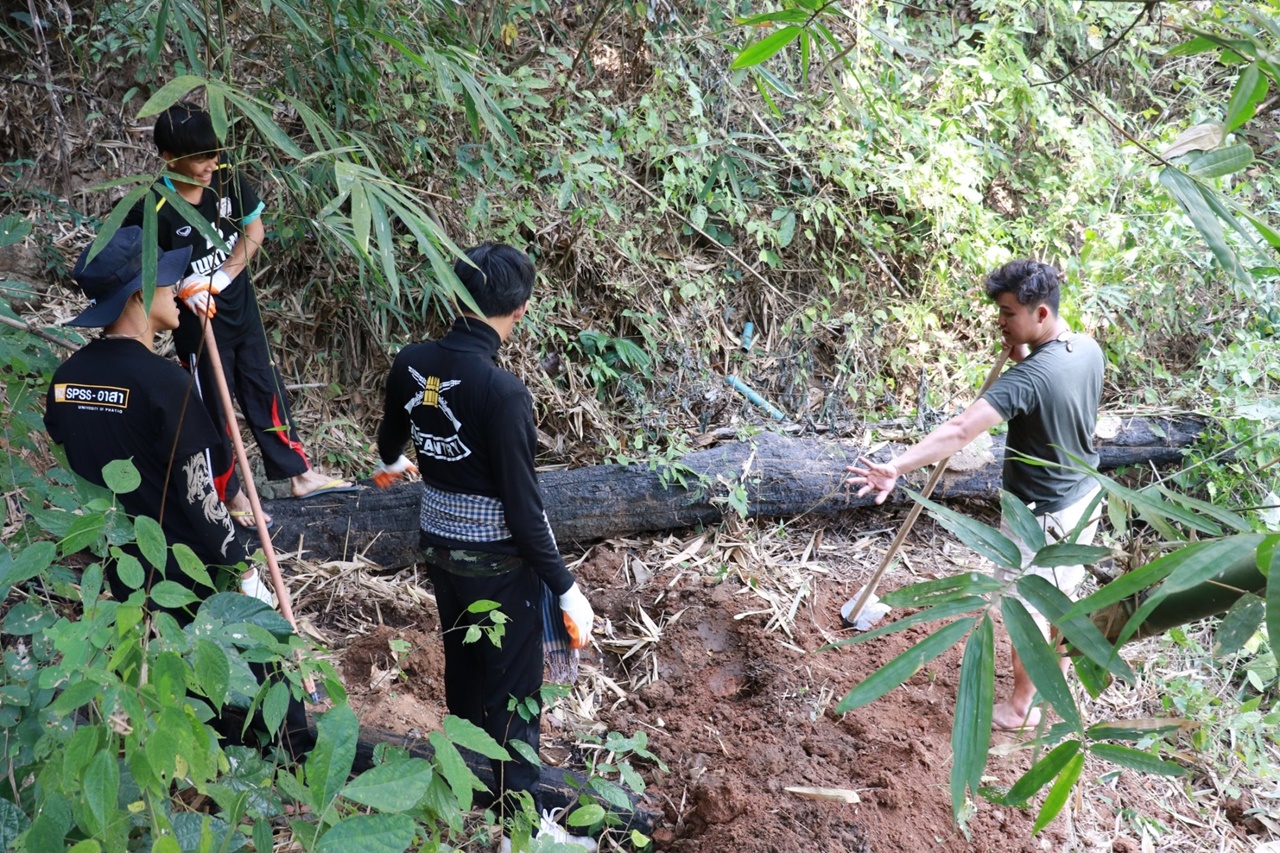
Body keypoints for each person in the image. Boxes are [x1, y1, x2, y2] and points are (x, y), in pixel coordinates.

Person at [45, 224, 312, 760]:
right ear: (140, 294)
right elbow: (200, 500)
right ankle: (289, 760)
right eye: (166, 280)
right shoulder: (165, 385)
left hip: (123, 567)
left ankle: (189, 764)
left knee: (168, 687)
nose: (177, 287)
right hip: (186, 567)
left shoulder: (65, 380)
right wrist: (243, 570)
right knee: (268, 669)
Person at [373, 243, 596, 851]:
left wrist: (397, 463)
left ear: (457, 293)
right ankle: (522, 829)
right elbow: (525, 514)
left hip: (441, 551)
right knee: (516, 693)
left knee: (466, 668)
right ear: (520, 309)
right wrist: (568, 588)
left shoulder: (412, 363)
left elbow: (391, 443)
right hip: (500, 562)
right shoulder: (503, 392)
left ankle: (463, 790)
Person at [846, 259, 1104, 731]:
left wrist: (896, 468)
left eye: (1007, 313)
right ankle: (1048, 693)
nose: (1000, 322)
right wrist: (1023, 355)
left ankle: (1020, 708)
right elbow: (1049, 405)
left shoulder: (1028, 379)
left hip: (1040, 516)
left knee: (1025, 610)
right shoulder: (1085, 349)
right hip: (1083, 500)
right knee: (1060, 603)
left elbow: (961, 429)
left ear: (1040, 314)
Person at [123, 101, 354, 530]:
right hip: (196, 327)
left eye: (214, 154)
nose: (211, 165)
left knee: (266, 390)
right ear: (169, 157)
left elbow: (254, 231)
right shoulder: (152, 208)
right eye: (200, 158)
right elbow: (141, 273)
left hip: (239, 310)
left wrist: (223, 278)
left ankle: (298, 474)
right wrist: (178, 292)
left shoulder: (224, 175)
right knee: (213, 410)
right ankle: (230, 492)